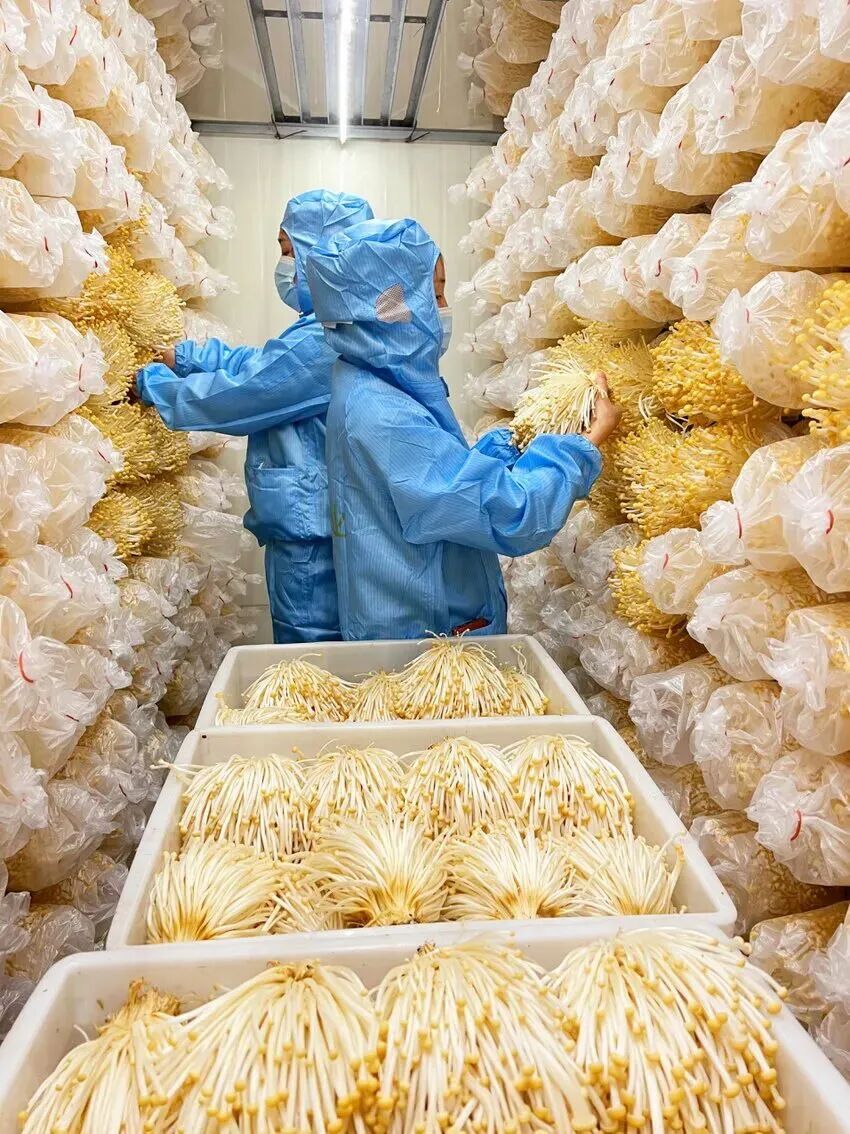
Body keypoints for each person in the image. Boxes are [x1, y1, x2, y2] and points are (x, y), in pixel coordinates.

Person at [306, 217, 620, 641]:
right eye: (434, 294)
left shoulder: (369, 381)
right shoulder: (385, 414)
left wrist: (513, 443)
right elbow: (510, 516)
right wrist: (582, 446)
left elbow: (442, 480)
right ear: (391, 308)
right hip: (426, 639)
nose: (442, 308)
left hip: (406, 620)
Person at [136, 189, 374, 643]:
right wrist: (187, 358)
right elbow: (264, 365)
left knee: (311, 652)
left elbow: (249, 393)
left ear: (321, 252)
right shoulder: (330, 326)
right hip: (316, 522)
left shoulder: (332, 336)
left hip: (313, 534)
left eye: (288, 250)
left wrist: (156, 386)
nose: (284, 265)